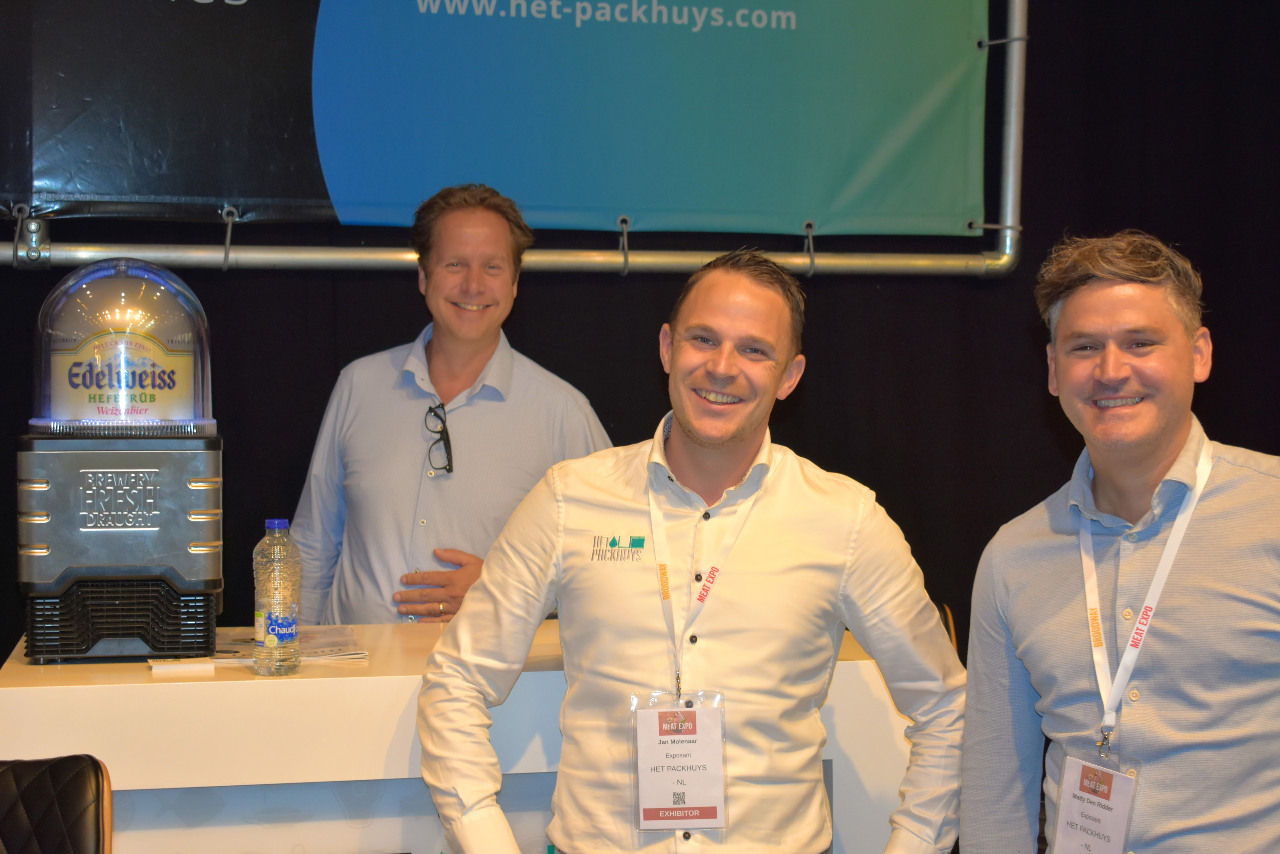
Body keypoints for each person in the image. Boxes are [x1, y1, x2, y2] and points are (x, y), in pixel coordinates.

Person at [419, 250, 965, 853]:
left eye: (754, 350)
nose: (722, 368)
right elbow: (457, 680)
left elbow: (947, 707)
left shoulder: (846, 520)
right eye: (703, 339)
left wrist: (916, 842)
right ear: (666, 347)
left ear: (790, 376)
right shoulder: (569, 500)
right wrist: (484, 839)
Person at [962, 230, 1280, 852]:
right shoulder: (1012, 557)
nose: (1111, 371)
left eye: (1141, 343)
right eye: (1085, 347)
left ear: (1199, 354)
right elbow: (995, 795)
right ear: (1053, 370)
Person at [293, 184, 611, 625]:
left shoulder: (563, 413)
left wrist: (511, 588)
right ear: (424, 277)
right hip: (354, 666)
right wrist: (296, 657)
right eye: (455, 264)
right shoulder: (357, 386)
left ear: (515, 282)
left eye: (492, 267)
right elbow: (313, 545)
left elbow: (616, 557)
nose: (473, 285)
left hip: (487, 671)